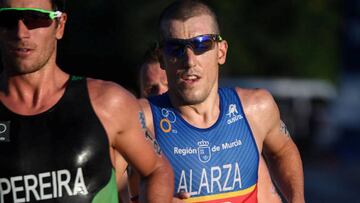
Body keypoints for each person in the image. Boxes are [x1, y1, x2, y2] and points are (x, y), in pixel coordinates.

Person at [0, 0, 174, 202]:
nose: (21, 32)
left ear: (60, 25)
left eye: (35, 18)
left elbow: (157, 170)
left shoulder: (108, 102)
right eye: (8, 19)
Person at [137, 0, 305, 202]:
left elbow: (283, 150)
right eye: (176, 48)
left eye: (202, 45)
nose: (190, 61)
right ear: (162, 59)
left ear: (221, 51)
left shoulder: (255, 108)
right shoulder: (140, 121)